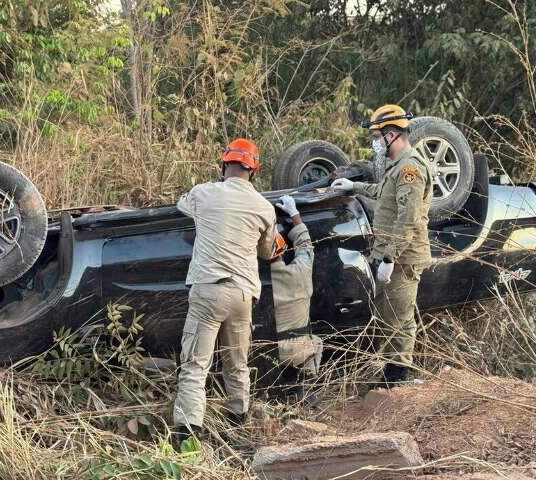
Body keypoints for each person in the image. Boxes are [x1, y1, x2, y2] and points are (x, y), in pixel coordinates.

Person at [173, 138, 277, 444]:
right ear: (254, 172)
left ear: (224, 165)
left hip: (208, 290)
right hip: (243, 293)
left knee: (195, 364)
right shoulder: (265, 207)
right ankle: (238, 421)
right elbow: (268, 251)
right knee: (237, 362)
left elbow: (182, 204)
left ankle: (188, 435)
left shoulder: (203, 193)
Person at [331, 104, 432, 386]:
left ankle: (397, 376)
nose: (374, 143)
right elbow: (383, 194)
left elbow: (409, 218)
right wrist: (354, 187)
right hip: (392, 253)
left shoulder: (410, 167)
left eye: (377, 137)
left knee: (399, 315)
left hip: (403, 256)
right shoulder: (397, 167)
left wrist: (389, 258)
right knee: (390, 312)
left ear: (392, 134)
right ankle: (392, 370)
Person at [271, 195, 322, 397]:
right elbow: (305, 245)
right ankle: (305, 387)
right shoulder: (303, 270)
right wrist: (294, 214)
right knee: (316, 342)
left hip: (273, 350)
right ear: (284, 250)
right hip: (301, 349)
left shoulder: (262, 281)